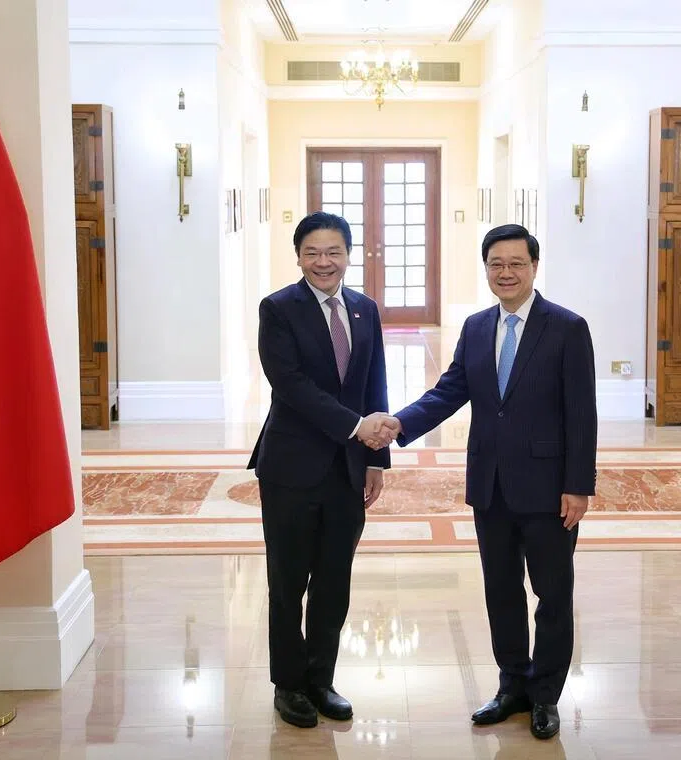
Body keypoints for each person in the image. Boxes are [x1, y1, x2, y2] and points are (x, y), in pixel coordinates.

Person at [368, 223, 597, 740]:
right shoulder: (475, 327)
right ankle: (512, 684)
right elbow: (450, 390)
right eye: (497, 264)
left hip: (549, 489)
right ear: (486, 269)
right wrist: (400, 423)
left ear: (534, 267)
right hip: (490, 485)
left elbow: (582, 413)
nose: (507, 273)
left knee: (552, 594)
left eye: (517, 263)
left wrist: (578, 484)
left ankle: (545, 696)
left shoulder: (566, 327)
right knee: (501, 591)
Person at [248, 211, 396, 729]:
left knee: (335, 579)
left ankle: (320, 678)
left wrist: (376, 458)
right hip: (290, 466)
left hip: (348, 469)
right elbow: (289, 385)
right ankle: (288, 684)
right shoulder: (279, 309)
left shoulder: (364, 309)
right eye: (313, 252)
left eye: (334, 251)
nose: (324, 262)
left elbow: (374, 382)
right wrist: (357, 427)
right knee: (288, 582)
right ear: (298, 256)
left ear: (349, 255)